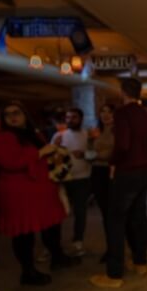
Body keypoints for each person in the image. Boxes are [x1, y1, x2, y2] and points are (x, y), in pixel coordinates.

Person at [0, 102, 78, 286]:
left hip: (39, 191)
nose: (13, 117)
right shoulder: (4, 137)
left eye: (17, 112)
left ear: (25, 115)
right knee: (23, 233)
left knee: (51, 226)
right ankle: (28, 272)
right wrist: (42, 152)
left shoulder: (32, 134)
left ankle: (57, 257)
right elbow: (11, 162)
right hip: (20, 193)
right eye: (8, 114)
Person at [91, 79, 147, 288]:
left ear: (123, 92)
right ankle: (140, 262)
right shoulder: (145, 114)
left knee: (115, 221)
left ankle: (114, 274)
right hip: (145, 171)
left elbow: (123, 145)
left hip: (127, 172)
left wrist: (113, 161)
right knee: (139, 217)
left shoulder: (123, 113)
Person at [52, 108, 92, 256]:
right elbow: (51, 156)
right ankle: (53, 244)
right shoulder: (59, 135)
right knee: (58, 212)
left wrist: (85, 154)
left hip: (82, 178)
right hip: (63, 180)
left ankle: (78, 241)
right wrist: (55, 146)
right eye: (68, 117)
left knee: (80, 212)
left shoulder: (88, 135)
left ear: (81, 119)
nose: (70, 120)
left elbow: (94, 154)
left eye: (74, 117)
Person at [91, 104, 115, 263]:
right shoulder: (98, 131)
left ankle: (113, 249)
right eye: (102, 111)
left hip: (109, 172)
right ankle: (111, 248)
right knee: (105, 214)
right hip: (97, 172)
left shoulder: (117, 131)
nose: (105, 115)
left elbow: (112, 153)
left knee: (111, 214)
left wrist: (93, 154)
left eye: (109, 111)